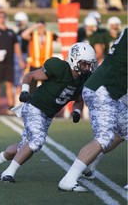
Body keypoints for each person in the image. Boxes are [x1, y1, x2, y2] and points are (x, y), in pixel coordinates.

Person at [0, 42, 97, 183]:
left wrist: (76, 111)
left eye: (90, 64)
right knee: (36, 142)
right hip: (35, 108)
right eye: (84, 64)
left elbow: (79, 99)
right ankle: (9, 172)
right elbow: (30, 76)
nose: (87, 68)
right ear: (74, 59)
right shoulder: (59, 67)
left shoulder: (84, 78)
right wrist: (25, 91)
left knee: (24, 146)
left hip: (47, 115)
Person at [58, 28, 127, 192]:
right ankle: (69, 179)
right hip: (102, 89)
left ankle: (88, 166)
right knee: (104, 137)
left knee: (123, 130)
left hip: (109, 88)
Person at [0, 11, 25, 115]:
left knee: (9, 84)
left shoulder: (11, 32)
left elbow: (16, 47)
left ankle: (10, 106)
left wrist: (20, 60)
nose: (2, 18)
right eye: (0, 17)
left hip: (9, 62)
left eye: (4, 17)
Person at [21, 19, 58, 94]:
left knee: (47, 88)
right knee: (32, 88)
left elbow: (61, 40)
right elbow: (24, 35)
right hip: (34, 65)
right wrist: (34, 26)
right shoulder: (33, 35)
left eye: (42, 27)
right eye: (39, 27)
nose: (41, 29)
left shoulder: (50, 34)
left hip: (46, 65)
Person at [13, 11, 29, 106]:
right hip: (18, 57)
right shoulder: (17, 31)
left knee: (24, 80)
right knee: (18, 81)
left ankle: (23, 103)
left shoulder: (27, 32)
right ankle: (17, 103)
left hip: (26, 57)